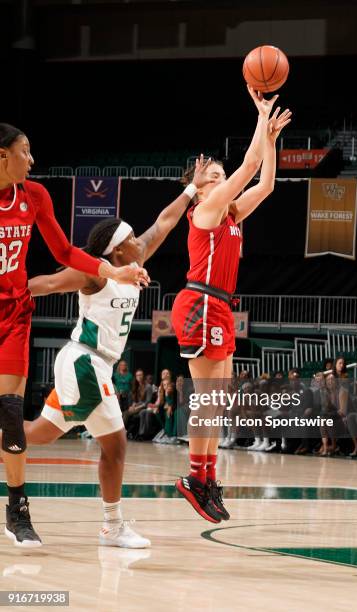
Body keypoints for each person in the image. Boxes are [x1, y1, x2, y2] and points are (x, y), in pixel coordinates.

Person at [0, 154, 214, 548]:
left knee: (35, 434)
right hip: (84, 362)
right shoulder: (92, 273)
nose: (140, 241)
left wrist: (191, 188)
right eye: (131, 239)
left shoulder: (134, 259)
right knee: (115, 444)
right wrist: (11, 291)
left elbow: (164, 223)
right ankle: (112, 527)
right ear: (116, 253)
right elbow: (44, 283)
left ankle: (110, 525)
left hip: (90, 365)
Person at [0, 123, 147, 548]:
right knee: (41, 430)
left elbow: (65, 252)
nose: (32, 160)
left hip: (13, 315)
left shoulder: (35, 196)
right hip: (84, 358)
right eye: (24, 151)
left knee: (12, 413)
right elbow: (50, 278)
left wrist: (111, 270)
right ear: (2, 156)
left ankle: (17, 509)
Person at [172, 85, 292, 523]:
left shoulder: (232, 215)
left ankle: (207, 478)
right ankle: (194, 478)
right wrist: (260, 118)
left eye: (222, 178)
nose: (222, 181)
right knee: (206, 401)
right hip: (200, 304)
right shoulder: (203, 214)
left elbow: (266, 182)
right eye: (214, 178)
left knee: (216, 402)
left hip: (220, 306)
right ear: (199, 190)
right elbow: (248, 166)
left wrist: (272, 141)